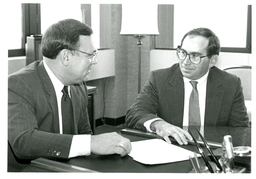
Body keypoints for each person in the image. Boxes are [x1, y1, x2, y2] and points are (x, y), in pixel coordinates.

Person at [8, 19, 131, 170]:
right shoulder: (18, 85)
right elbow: (23, 142)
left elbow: (85, 134)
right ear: (66, 56)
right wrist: (91, 143)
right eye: (90, 55)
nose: (95, 61)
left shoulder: (78, 86)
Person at [125, 27, 249, 145]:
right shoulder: (159, 78)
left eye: (194, 56)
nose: (185, 61)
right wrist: (159, 125)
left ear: (212, 61)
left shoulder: (231, 84)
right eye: (183, 52)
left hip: (212, 151)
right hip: (173, 147)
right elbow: (135, 113)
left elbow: (240, 130)